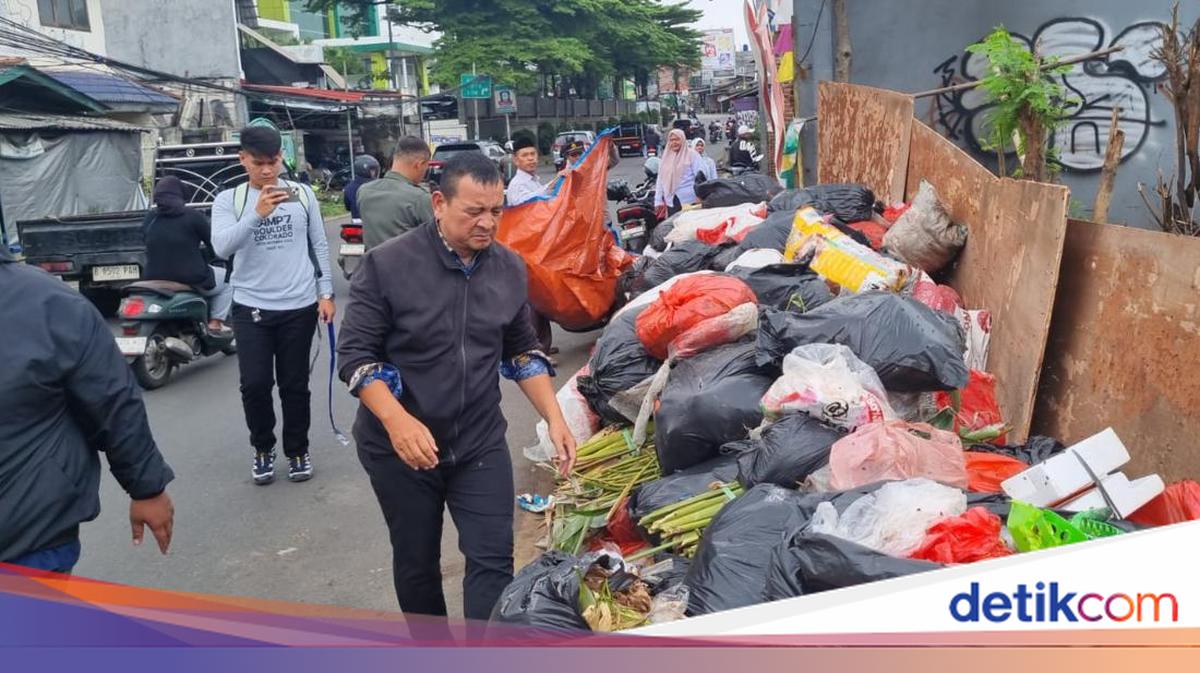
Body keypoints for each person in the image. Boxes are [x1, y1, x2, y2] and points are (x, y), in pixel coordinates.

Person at [337, 152, 577, 625]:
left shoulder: (508, 268)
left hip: (478, 441)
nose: (487, 223)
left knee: (492, 559)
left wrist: (555, 417)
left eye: (496, 210)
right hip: (401, 449)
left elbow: (522, 351)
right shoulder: (388, 265)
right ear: (439, 203)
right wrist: (397, 421)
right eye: (474, 211)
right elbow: (357, 358)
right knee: (417, 563)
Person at [0, 247, 176, 574]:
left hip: (29, 539)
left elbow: (111, 401)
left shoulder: (49, 304)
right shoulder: (50, 301)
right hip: (32, 536)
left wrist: (147, 487)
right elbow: (112, 400)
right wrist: (147, 489)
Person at [211, 126, 335, 486]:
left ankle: (298, 450)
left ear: (282, 158)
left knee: (295, 385)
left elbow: (319, 246)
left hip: (298, 305)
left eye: (274, 162)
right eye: (259, 163)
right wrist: (256, 214)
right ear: (243, 160)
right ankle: (262, 448)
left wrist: (325, 292)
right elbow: (221, 248)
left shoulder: (303, 195)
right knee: (255, 384)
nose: (267, 170)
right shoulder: (229, 200)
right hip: (250, 306)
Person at [142, 176, 234, 336]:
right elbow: (214, 244)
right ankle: (216, 323)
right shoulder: (194, 217)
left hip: (153, 277)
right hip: (191, 277)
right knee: (228, 281)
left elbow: (146, 241)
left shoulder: (150, 218)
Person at [357, 136, 434, 251]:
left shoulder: (363, 191)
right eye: (426, 168)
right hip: (410, 267)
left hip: (373, 266)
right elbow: (438, 240)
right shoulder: (420, 198)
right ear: (419, 164)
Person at [654, 128, 705, 218]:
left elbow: (701, 176)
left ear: (683, 140)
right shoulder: (665, 157)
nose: (674, 142)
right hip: (671, 201)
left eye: (677, 139)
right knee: (674, 227)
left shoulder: (692, 155)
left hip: (690, 200)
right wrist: (658, 200)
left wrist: (700, 195)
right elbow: (660, 180)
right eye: (671, 140)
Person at [342, 154, 381, 220]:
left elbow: (348, 207)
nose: (374, 173)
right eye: (372, 170)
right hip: (373, 222)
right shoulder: (377, 185)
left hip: (356, 223)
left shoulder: (349, 187)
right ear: (365, 170)